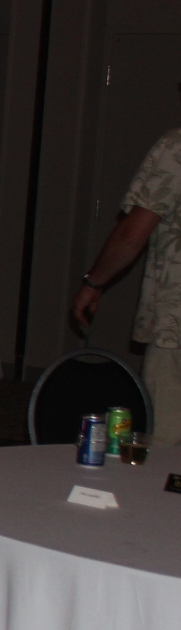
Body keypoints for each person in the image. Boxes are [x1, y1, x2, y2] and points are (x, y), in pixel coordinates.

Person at [72, 126, 181, 443]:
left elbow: (133, 234)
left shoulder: (176, 146)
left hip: (176, 323)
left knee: (166, 447)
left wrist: (93, 282)